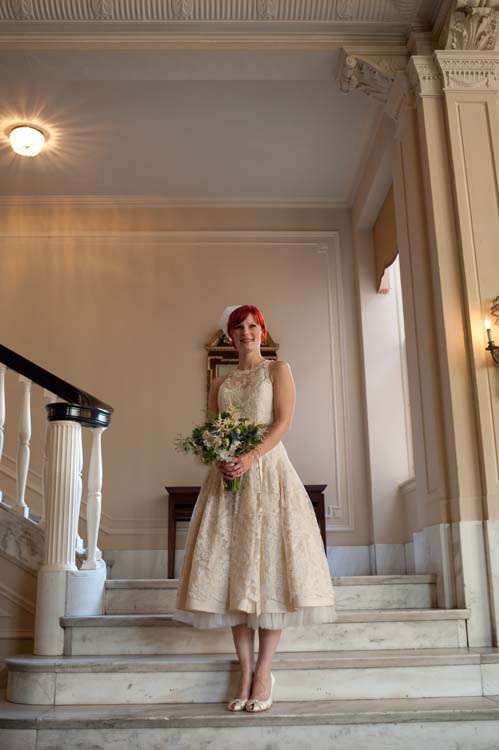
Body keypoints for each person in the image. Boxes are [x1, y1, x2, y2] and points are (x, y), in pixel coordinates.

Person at [173, 304, 337, 713]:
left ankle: (264, 672)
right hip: (229, 481)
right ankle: (244, 672)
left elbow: (282, 422)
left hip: (268, 474)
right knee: (234, 573)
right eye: (238, 327)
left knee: (270, 571)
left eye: (252, 326)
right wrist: (221, 459)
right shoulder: (220, 382)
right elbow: (214, 430)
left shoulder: (278, 370)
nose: (246, 332)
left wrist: (250, 457)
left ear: (262, 332)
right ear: (230, 336)